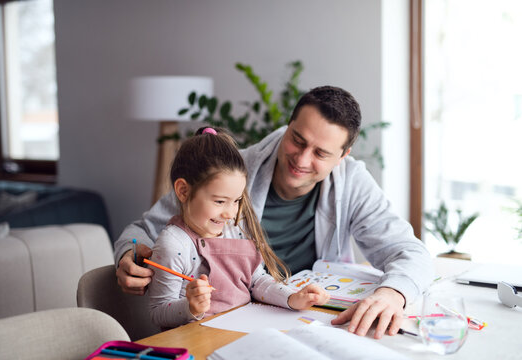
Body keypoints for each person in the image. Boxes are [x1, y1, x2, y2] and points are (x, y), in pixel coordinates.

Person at [114, 85, 434, 339]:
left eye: (321, 153)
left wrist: (393, 294)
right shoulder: (230, 175)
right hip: (226, 326)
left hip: (310, 322)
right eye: (297, 139)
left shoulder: (352, 182)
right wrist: (129, 253)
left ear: (342, 156)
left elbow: (410, 251)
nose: (302, 160)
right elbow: (142, 230)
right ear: (287, 126)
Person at [147, 127, 329, 328]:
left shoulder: (235, 229)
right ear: (183, 191)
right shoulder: (174, 245)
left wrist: (292, 298)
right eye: (219, 201)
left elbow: (257, 281)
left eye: (237, 201)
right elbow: (158, 313)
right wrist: (191, 307)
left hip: (240, 332)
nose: (230, 213)